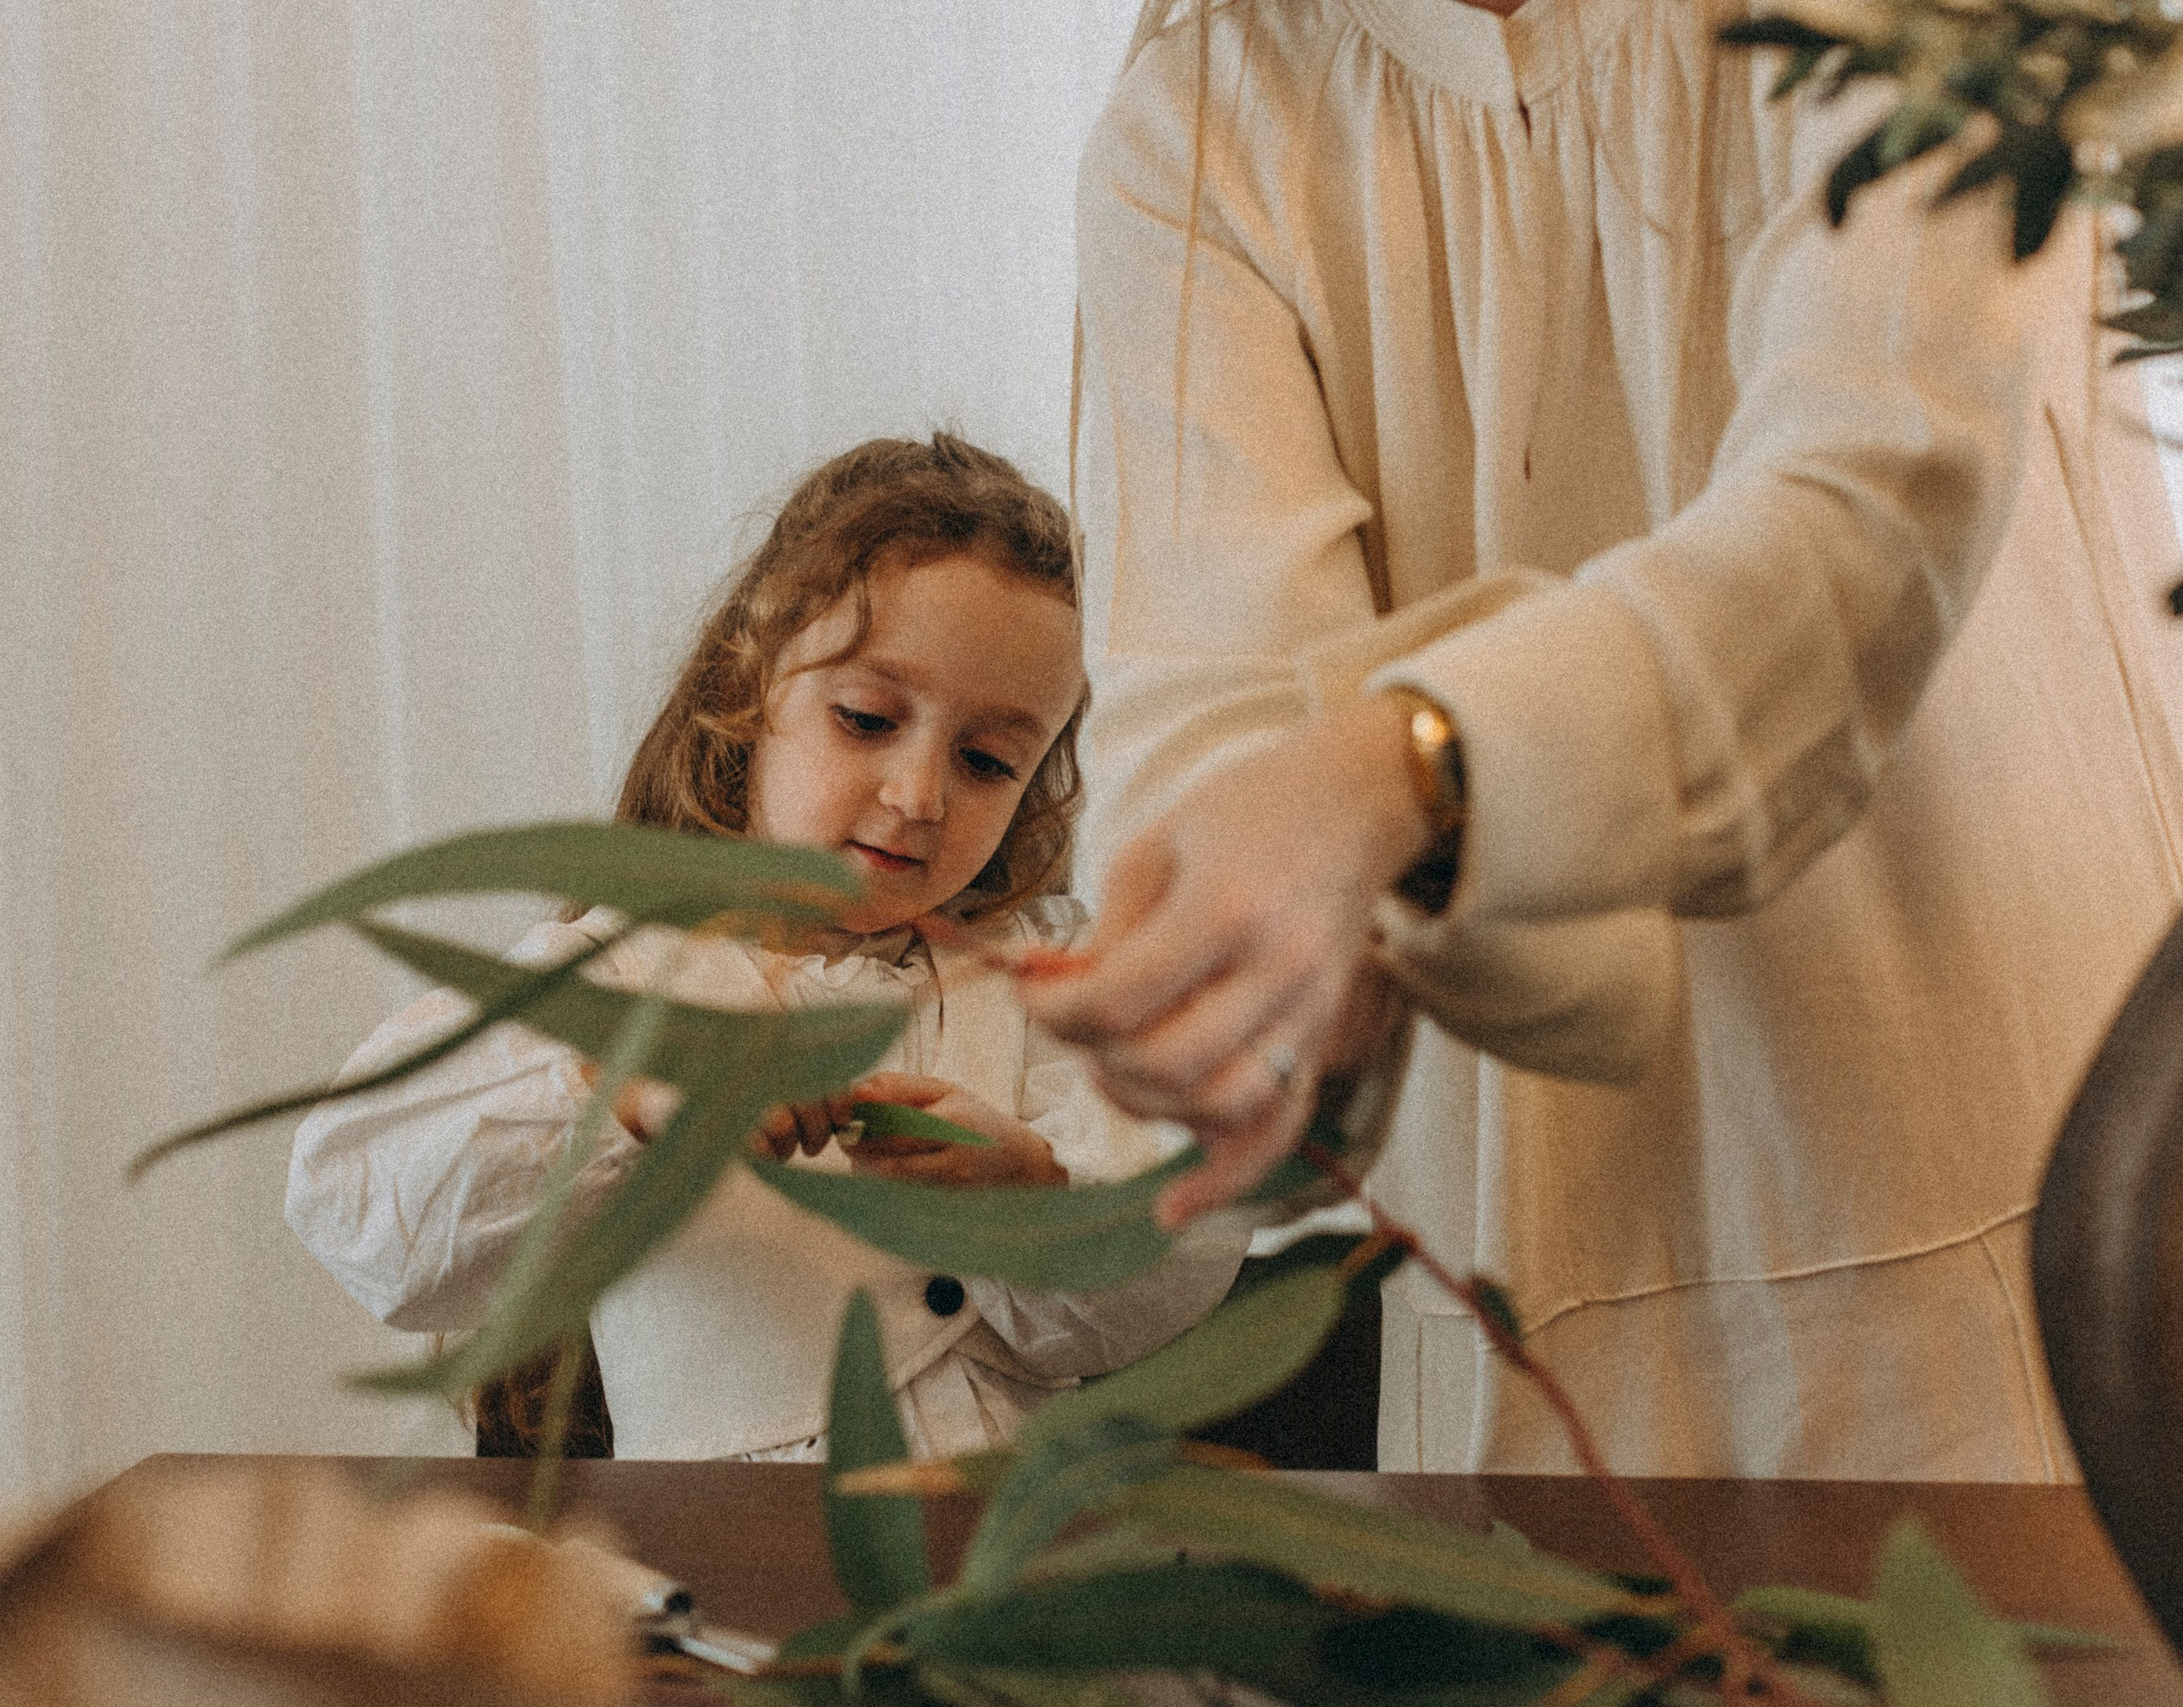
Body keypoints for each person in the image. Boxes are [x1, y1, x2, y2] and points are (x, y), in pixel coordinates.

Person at [1024, 0, 2183, 1479]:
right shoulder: (1199, 117)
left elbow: (1871, 508)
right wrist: (1244, 980)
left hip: (2040, 1201)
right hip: (1540, 1302)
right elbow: (1206, 750)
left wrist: (1404, 773)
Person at [287, 433, 1246, 1461]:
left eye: (985, 760)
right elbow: (357, 1202)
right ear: (746, 696)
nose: (919, 796)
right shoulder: (612, 975)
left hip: (1010, 1567)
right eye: (867, 718)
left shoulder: (1053, 982)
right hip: (725, 1555)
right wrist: (620, 1099)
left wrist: (1030, 1192)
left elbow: (1184, 1245)